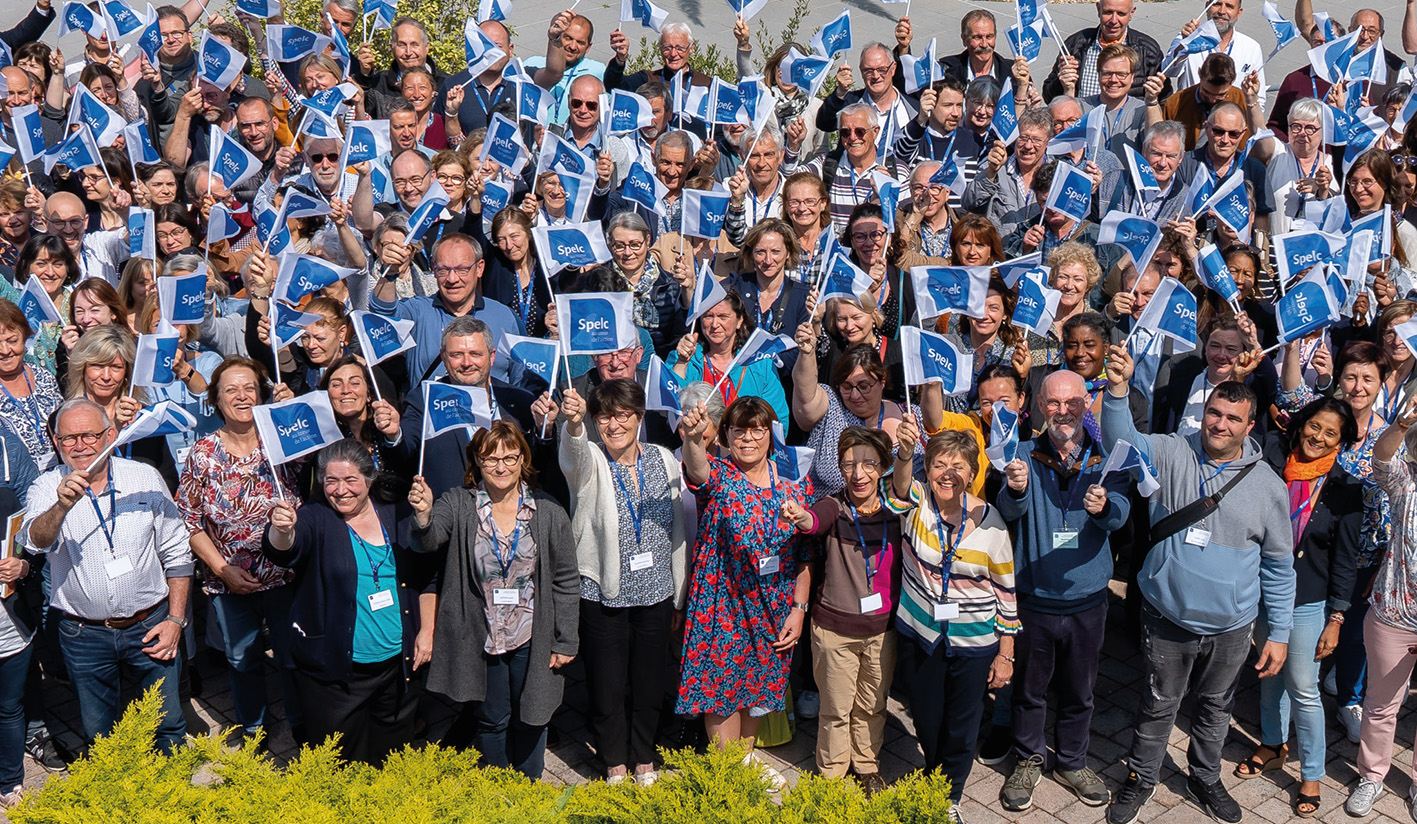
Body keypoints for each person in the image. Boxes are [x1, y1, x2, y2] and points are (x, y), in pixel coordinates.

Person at [1100, 344, 1294, 824]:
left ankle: (1205, 777)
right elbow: (1120, 441)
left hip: (1232, 627)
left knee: (1215, 708)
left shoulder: (1269, 485)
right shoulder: (1171, 450)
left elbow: (1278, 567)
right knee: (1158, 705)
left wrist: (1282, 634)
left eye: (1232, 418)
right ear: (1203, 412)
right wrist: (1119, 390)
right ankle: (1140, 778)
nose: (1220, 424)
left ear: (1250, 427)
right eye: (1214, 413)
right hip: (1167, 616)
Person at [19, 398, 192, 754]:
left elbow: (177, 550)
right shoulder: (46, 487)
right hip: (84, 634)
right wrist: (62, 506)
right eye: (68, 438)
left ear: (110, 435)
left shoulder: (143, 476)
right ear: (55, 441)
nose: (79, 446)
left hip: (152, 623)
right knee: (101, 736)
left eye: (89, 435)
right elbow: (35, 542)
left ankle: (175, 798)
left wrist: (176, 619)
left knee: (168, 724)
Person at [408, 421, 577, 778]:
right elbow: (429, 539)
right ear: (477, 463)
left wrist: (566, 638)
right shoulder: (458, 503)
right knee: (491, 718)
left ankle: (528, 786)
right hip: (481, 634)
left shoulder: (547, 512)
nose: (501, 467)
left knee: (533, 715)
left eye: (510, 458)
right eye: (490, 459)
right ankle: (498, 789)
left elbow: (565, 580)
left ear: (522, 460)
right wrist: (423, 515)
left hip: (532, 633)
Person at [996, 370, 1130, 811]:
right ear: (1038, 405)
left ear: (1086, 405)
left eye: (1072, 402)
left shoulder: (1107, 456)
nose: (1063, 411)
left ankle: (1072, 761)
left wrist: (1106, 507)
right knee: (1029, 690)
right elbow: (1006, 513)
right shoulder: (1022, 455)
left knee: (1079, 690)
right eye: (1053, 403)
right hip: (1035, 598)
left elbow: (1123, 513)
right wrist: (1014, 491)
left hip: (1088, 600)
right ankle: (1029, 758)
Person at [264, 438, 436, 766]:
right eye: (331, 480)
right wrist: (280, 530)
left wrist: (427, 630)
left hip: (398, 667)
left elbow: (427, 573)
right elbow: (284, 550)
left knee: (392, 758)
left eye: (350, 480)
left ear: (369, 479)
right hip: (337, 675)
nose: (340, 490)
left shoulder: (397, 512)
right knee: (339, 763)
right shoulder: (316, 517)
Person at [675, 396, 812, 789]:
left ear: (771, 434)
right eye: (739, 430)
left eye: (757, 429)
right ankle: (724, 781)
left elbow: (806, 552)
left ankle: (743, 764)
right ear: (728, 434)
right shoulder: (719, 475)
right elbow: (696, 466)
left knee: (755, 690)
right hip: (721, 607)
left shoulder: (791, 481)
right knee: (720, 694)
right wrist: (692, 434)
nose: (748, 438)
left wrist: (799, 609)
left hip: (774, 608)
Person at [1233, 396, 1360, 818]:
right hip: (1262, 593)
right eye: (1314, 426)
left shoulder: (1345, 491)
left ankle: (1311, 774)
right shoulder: (1273, 460)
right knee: (1269, 674)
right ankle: (1272, 744)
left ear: (1342, 442)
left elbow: (1344, 562)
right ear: (1301, 423)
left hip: (1308, 603)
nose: (1318, 438)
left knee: (1304, 688)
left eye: (1331, 434)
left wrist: (1337, 618)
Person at [886, 418, 1018, 822]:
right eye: (940, 463)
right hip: (922, 633)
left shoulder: (993, 523)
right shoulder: (917, 504)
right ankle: (934, 771)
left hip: (974, 643)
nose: (948, 474)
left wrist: (1006, 653)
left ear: (973, 475)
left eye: (959, 466)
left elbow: (1006, 594)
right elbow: (896, 494)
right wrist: (905, 453)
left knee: (961, 725)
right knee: (926, 715)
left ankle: (949, 796)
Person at [559, 381, 684, 785]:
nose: (614, 424)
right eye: (605, 417)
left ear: (639, 417)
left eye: (623, 414)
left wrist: (679, 588)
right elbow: (573, 454)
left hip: (656, 591)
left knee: (649, 682)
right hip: (604, 592)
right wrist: (575, 425)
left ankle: (644, 757)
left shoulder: (664, 458)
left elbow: (679, 525)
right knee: (607, 683)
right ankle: (614, 760)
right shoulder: (592, 458)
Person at [175, 357, 303, 745]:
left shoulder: (284, 440)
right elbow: (189, 520)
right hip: (229, 580)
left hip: (287, 575)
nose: (242, 395)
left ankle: (303, 725)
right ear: (216, 399)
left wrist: (291, 409)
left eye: (249, 387)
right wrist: (221, 568)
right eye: (230, 389)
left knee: (292, 657)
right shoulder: (202, 453)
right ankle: (254, 727)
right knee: (241, 660)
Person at [779, 426, 901, 794]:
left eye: (867, 464)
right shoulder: (835, 504)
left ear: (883, 467)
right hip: (835, 631)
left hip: (882, 630)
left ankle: (866, 765)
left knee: (872, 705)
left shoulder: (898, 510)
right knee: (835, 708)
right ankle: (832, 771)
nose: (858, 474)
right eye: (848, 465)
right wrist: (799, 515)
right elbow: (814, 521)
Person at [669, 290, 788, 424]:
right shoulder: (683, 357)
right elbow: (671, 409)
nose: (715, 324)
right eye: (708, 316)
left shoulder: (761, 363)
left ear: (739, 320)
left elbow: (778, 421)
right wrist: (682, 362)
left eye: (723, 316)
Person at [1044, 0, 1164, 100]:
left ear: (1131, 13)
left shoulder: (1147, 50)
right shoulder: (1076, 44)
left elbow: (1164, 99)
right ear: (1098, 9)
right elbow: (1049, 97)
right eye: (1108, 12)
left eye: (1121, 14)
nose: (1113, 20)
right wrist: (1061, 84)